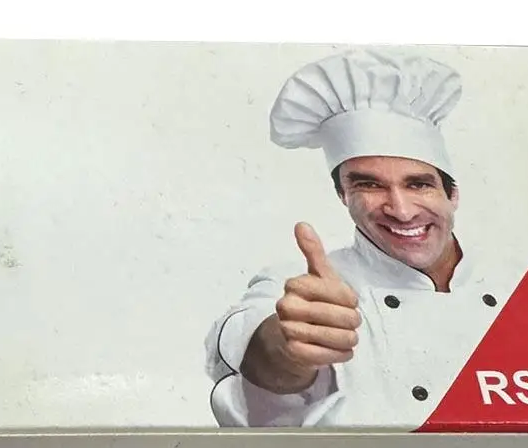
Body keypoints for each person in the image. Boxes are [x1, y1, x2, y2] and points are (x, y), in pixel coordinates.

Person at [206, 50, 509, 427]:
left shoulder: (520, 281)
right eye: (370, 185)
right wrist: (287, 351)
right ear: (343, 196)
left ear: (453, 194)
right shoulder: (306, 286)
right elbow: (247, 342)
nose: (401, 210)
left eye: (418, 184)